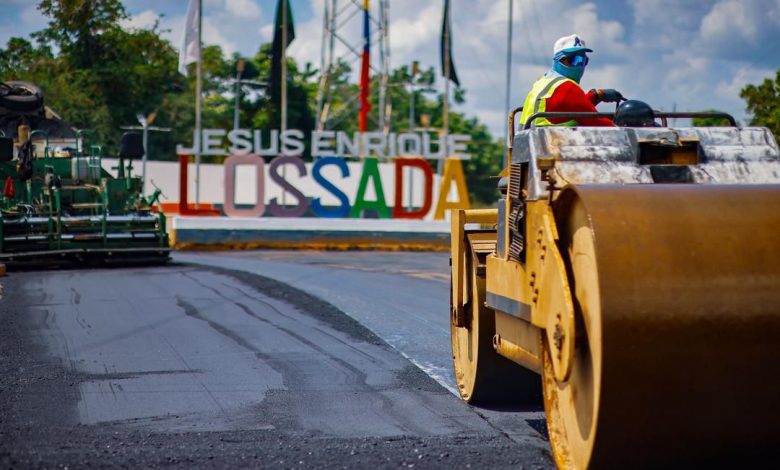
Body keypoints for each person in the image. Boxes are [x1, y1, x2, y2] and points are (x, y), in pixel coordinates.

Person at [519, 34, 622, 128]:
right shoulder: (567, 88)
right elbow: (598, 123)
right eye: (575, 60)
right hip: (553, 146)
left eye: (583, 61)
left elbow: (567, 109)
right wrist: (624, 126)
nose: (580, 66)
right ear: (561, 60)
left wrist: (594, 95)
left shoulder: (542, 82)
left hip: (528, 143)